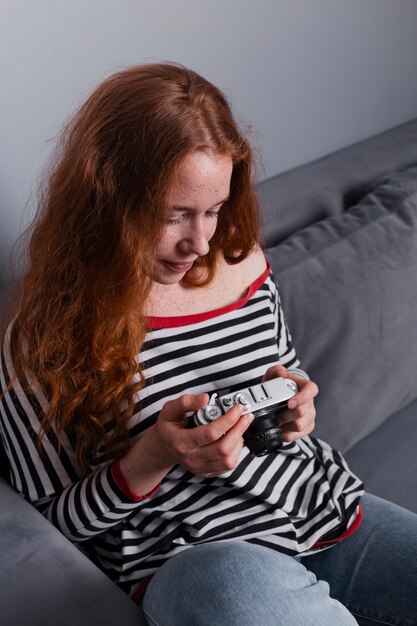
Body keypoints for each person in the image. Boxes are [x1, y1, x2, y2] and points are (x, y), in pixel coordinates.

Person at [1, 62, 416, 626]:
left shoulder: (242, 263)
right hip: (201, 560)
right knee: (231, 585)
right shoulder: (38, 334)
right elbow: (53, 520)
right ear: (108, 199)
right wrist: (154, 455)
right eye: (173, 216)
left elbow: (284, 379)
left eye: (214, 211)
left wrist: (298, 405)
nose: (199, 241)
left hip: (321, 510)